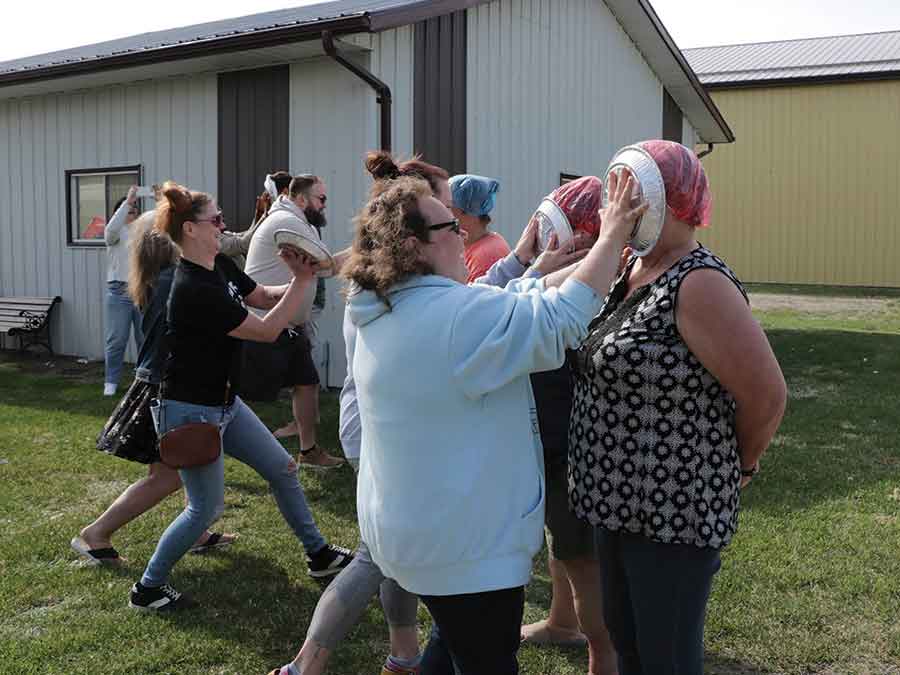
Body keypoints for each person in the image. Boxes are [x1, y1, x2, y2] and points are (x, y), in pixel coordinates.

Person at [343, 170, 647, 674]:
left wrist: (545, 272)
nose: (461, 236)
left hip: (414, 538)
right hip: (465, 555)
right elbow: (557, 322)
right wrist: (613, 233)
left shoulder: (384, 305)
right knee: (485, 659)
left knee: (449, 646)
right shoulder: (453, 317)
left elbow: (502, 306)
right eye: (449, 229)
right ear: (414, 247)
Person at [568, 140, 787, 675]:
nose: (615, 208)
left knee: (666, 656)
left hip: (672, 512)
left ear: (666, 201)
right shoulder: (631, 267)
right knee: (630, 643)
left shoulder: (699, 283)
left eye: (629, 194)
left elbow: (766, 394)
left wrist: (745, 463)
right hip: (616, 503)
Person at [128, 181, 352, 611]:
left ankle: (319, 555)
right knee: (205, 510)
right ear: (190, 229)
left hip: (223, 404)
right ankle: (148, 588)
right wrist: (303, 281)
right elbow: (267, 330)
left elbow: (263, 297)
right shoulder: (191, 287)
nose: (223, 226)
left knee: (284, 470)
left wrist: (297, 276)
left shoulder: (219, 267)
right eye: (216, 220)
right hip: (189, 411)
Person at [73, 219, 235, 564]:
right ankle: (95, 534)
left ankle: (197, 531)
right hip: (166, 386)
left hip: (160, 382)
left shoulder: (159, 278)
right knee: (166, 476)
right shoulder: (173, 281)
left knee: (177, 469)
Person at [515, 177, 618, 675]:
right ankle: (562, 620)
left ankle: (603, 645)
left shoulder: (600, 282)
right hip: (552, 441)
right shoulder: (570, 274)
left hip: (571, 446)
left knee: (581, 555)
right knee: (563, 540)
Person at [242, 174, 343, 469]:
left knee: (307, 383)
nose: (324, 206)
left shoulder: (298, 220)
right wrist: (365, 249)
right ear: (300, 199)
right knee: (239, 397)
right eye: (320, 199)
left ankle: (309, 452)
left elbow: (318, 270)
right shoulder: (288, 223)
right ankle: (204, 451)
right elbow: (323, 267)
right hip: (265, 324)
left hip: (286, 324)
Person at [103, 186, 145, 396]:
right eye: (129, 209)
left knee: (144, 338)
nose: (133, 211)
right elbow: (110, 230)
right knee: (117, 339)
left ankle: (142, 381)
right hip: (119, 291)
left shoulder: (142, 232)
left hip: (142, 290)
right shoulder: (115, 233)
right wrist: (127, 201)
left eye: (135, 209)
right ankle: (110, 383)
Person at [219, 171, 293, 267]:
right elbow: (245, 243)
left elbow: (247, 235)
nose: (223, 224)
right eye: (216, 219)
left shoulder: (224, 235)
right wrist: (265, 213)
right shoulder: (215, 241)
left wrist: (259, 213)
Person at [449, 173, 511, 282]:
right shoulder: (473, 244)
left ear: (468, 212)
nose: (443, 212)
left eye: (448, 206)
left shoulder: (486, 256)